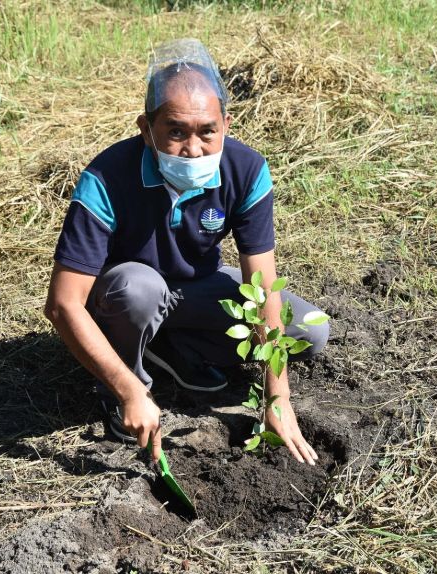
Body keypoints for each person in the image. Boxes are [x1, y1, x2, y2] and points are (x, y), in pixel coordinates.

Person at [43, 39, 328, 467]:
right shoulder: (106, 177)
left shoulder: (246, 170)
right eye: (175, 132)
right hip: (126, 297)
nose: (193, 149)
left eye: (207, 132)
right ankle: (126, 380)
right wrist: (129, 391)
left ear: (225, 124)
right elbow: (63, 304)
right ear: (145, 128)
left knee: (310, 330)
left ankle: (175, 350)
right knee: (138, 290)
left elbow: (262, 284)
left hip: (198, 288)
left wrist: (277, 396)